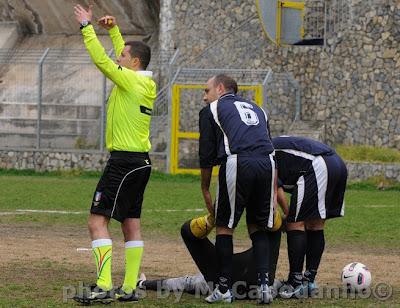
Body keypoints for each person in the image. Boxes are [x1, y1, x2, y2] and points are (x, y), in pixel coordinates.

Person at [72, 5, 156, 304]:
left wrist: (87, 27)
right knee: (130, 222)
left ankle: (104, 284)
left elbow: (102, 62)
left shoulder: (131, 80)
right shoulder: (142, 79)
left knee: (97, 220)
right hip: (140, 162)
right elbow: (124, 55)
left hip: (124, 162)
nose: (116, 57)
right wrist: (115, 31)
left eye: (122, 56)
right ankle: (130, 286)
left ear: (133, 63)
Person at [199, 74, 277, 304]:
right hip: (268, 164)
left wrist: (204, 187)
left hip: (239, 162)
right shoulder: (258, 108)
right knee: (258, 226)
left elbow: (206, 153)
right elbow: (267, 142)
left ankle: (223, 289)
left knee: (224, 226)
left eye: (207, 90)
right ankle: (264, 287)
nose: (205, 97)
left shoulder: (213, 109)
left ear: (221, 89)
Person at [137, 215, 284, 299]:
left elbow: (182, 283)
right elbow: (285, 285)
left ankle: (213, 218)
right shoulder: (274, 285)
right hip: (259, 280)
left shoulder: (205, 283)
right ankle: (265, 209)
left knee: (187, 230)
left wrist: (144, 283)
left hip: (222, 280)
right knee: (276, 225)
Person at [272, 136, 348, 299]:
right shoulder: (274, 143)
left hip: (317, 165)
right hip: (338, 164)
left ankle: (294, 283)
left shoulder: (263, 151)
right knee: (315, 224)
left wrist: (288, 215)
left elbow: (275, 186)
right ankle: (309, 281)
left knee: (295, 224)